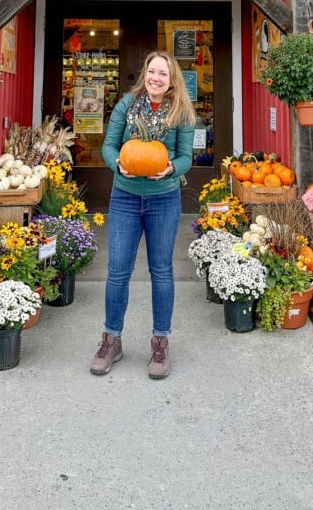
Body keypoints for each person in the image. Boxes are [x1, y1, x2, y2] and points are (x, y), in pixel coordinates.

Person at [90, 50, 196, 380]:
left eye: (163, 73)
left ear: (171, 78)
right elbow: (109, 146)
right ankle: (111, 340)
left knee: (161, 270)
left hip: (164, 201)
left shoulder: (181, 112)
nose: (156, 78)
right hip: (125, 197)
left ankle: (161, 342)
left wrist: (170, 169)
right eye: (152, 71)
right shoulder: (126, 105)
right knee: (118, 270)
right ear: (145, 74)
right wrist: (116, 163)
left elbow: (185, 158)